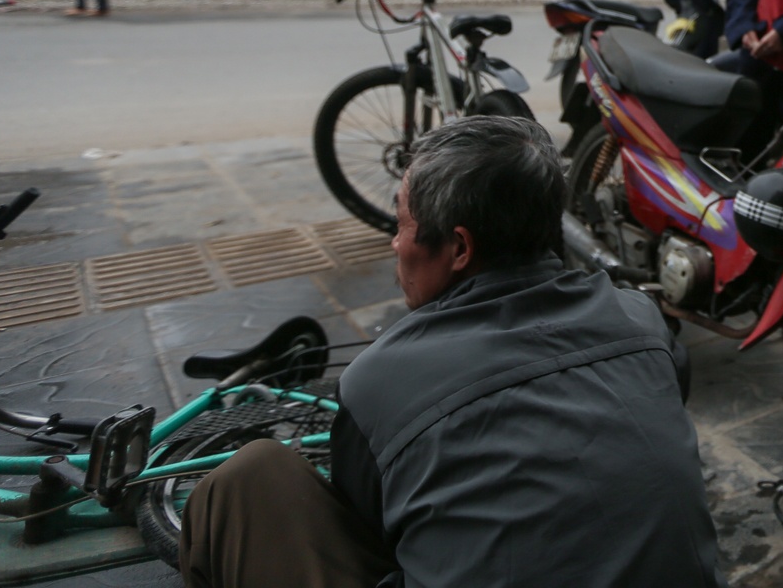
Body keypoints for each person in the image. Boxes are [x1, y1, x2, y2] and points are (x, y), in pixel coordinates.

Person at [179, 116, 721, 588]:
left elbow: (372, 525)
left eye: (403, 223)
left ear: (459, 247)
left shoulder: (377, 383)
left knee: (249, 477)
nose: (395, 244)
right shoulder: (643, 322)